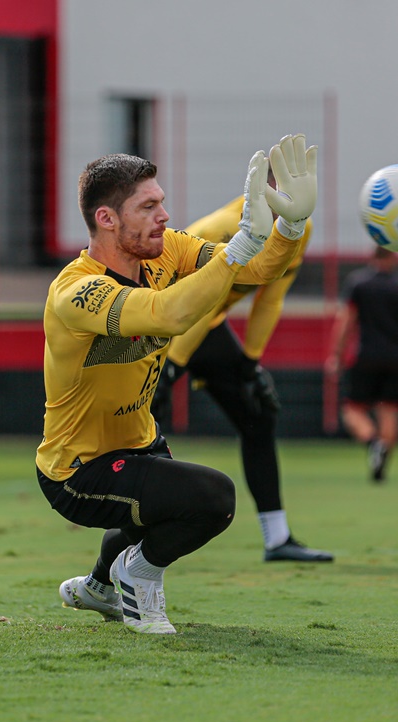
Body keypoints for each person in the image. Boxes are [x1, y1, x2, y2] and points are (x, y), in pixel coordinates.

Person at [39, 134, 318, 634]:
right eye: (148, 207)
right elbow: (168, 315)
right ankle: (138, 575)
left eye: (162, 202)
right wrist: (234, 255)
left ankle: (100, 586)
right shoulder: (76, 291)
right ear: (107, 219)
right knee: (213, 499)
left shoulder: (167, 252)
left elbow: (256, 270)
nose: (164, 216)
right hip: (77, 470)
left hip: (141, 444)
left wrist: (289, 227)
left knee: (155, 510)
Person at [149, 174, 332, 563]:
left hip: (208, 325)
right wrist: (170, 368)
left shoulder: (300, 229)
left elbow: (271, 298)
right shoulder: (220, 230)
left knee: (258, 414)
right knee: (145, 425)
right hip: (162, 322)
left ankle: (277, 538)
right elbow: (189, 305)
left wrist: (251, 362)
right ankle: (130, 537)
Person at [327, 246, 398, 482]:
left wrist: (336, 356)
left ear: (372, 256)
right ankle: (381, 463)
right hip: (396, 359)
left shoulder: (359, 284)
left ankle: (372, 443)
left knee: (352, 411)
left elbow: (345, 323)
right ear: (394, 257)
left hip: (366, 357)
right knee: (389, 411)